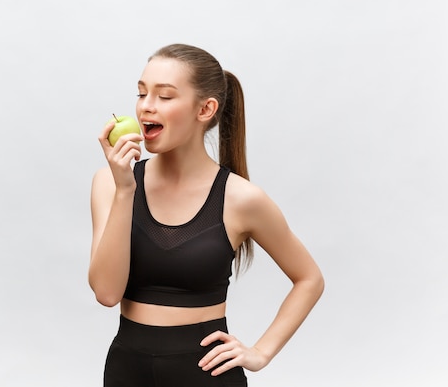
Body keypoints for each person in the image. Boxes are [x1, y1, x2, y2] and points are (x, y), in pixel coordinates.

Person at [89, 43, 324, 387]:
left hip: (205, 375)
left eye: (165, 96)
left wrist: (260, 352)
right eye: (142, 94)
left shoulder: (241, 199)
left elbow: (309, 279)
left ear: (205, 109)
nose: (146, 107)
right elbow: (107, 294)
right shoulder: (110, 184)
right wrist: (126, 191)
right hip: (127, 371)